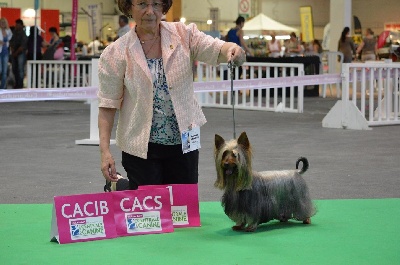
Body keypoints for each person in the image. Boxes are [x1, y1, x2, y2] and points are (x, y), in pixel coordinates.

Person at [98, 0, 246, 190]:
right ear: (129, 7)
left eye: (157, 4)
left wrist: (232, 49)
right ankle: (119, 185)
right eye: (142, 4)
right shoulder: (115, 53)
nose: (150, 11)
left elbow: (216, 48)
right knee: (151, 213)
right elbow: (107, 106)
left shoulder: (184, 34)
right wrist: (105, 152)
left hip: (184, 141)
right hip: (141, 145)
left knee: (182, 211)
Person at [9, 19, 27, 89]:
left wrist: (16, 53)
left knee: (20, 69)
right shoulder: (14, 33)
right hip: (14, 53)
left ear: (22, 26)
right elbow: (11, 42)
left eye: (18, 25)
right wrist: (13, 50)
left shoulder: (23, 34)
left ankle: (20, 84)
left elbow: (23, 46)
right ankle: (16, 83)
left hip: (20, 53)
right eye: (16, 25)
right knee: (14, 69)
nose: (16, 26)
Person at [0, 18, 12, 90]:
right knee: (0, 70)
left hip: (5, 52)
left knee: (4, 71)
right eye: (1, 22)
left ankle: (3, 87)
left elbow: (10, 38)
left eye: (4, 22)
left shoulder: (8, 31)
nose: (3, 24)